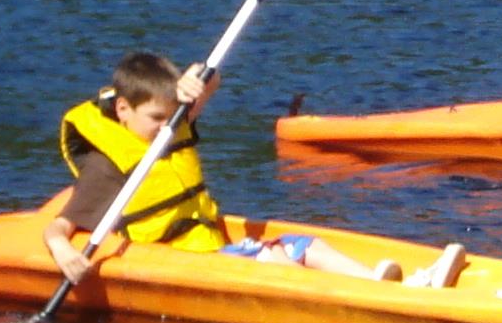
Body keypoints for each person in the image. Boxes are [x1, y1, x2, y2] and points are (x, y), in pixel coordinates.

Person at [45, 51, 467, 287]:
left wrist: (195, 80)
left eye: (172, 116)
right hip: (186, 261)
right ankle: (380, 295)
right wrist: (65, 255)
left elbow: (208, 85)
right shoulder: (107, 167)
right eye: (156, 118)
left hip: (211, 246)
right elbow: (58, 227)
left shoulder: (173, 128)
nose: (166, 128)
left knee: (306, 244)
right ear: (123, 110)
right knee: (273, 258)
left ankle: (378, 283)